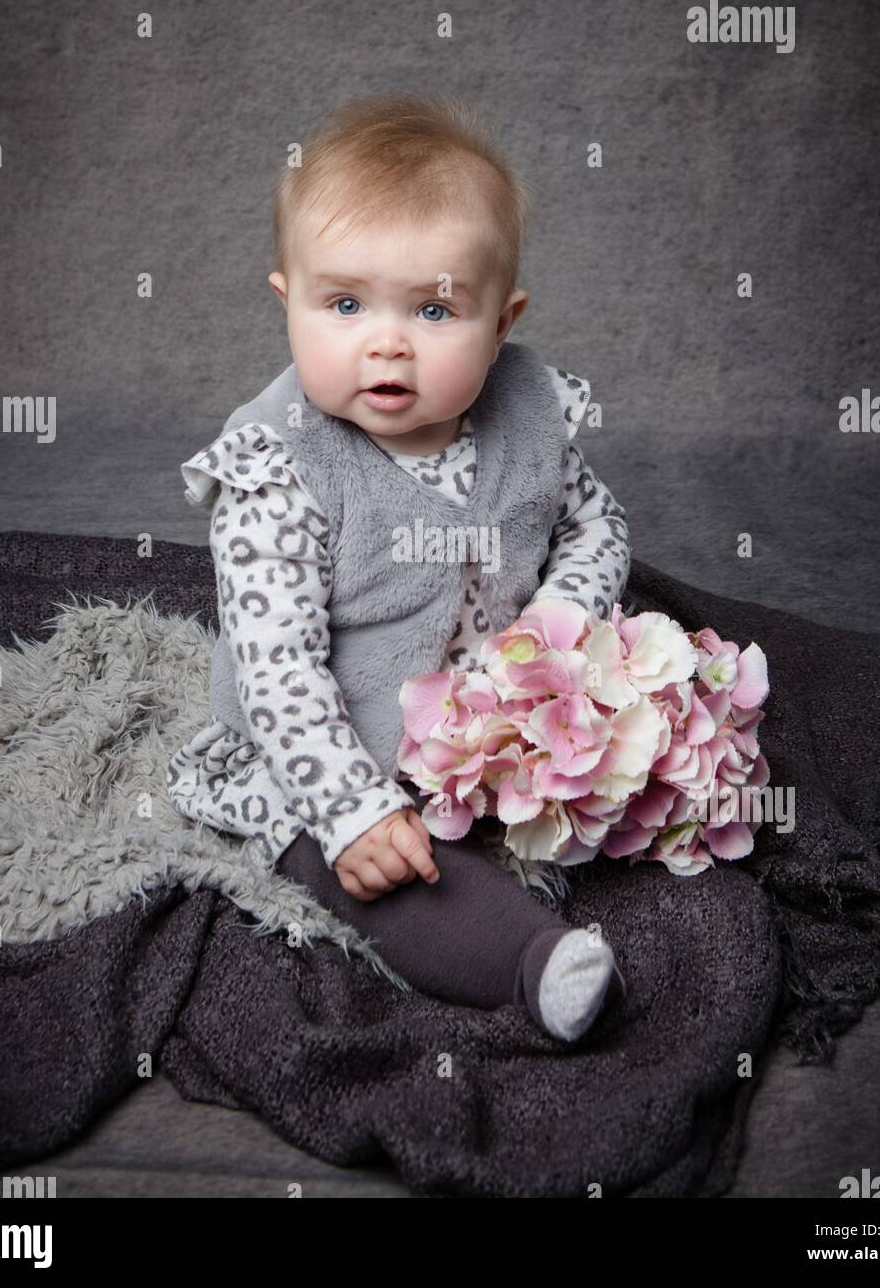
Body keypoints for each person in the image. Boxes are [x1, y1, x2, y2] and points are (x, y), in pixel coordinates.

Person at [167, 93, 631, 1041]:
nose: (386, 342)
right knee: (375, 866)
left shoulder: (525, 414)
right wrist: (351, 808)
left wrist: (554, 631)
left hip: (485, 719)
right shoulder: (278, 467)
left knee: (626, 774)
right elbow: (278, 672)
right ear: (285, 300)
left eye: (432, 308)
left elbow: (597, 526)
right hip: (324, 742)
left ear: (501, 323)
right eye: (342, 304)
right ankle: (529, 961)